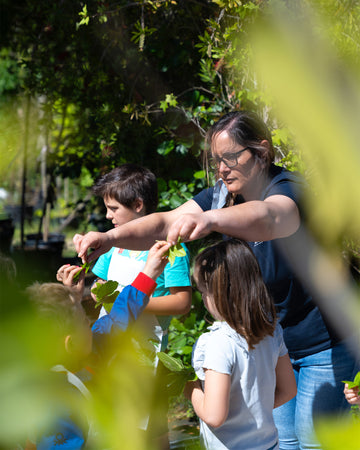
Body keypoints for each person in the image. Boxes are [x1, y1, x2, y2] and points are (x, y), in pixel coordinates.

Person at [73, 110, 359, 449]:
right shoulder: (222, 196)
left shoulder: (289, 190)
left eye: (231, 158)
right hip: (275, 343)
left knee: (317, 443)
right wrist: (109, 238)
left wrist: (210, 220)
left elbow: (269, 217)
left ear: (262, 152)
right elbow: (164, 222)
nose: (222, 169)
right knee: (283, 441)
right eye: (217, 161)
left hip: (324, 341)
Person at [59, 163, 192, 447]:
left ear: (139, 205)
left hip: (146, 356)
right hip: (109, 350)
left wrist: (134, 302)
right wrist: (88, 289)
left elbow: (182, 303)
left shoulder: (171, 247)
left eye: (113, 209)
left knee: (152, 431)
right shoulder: (114, 246)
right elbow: (99, 289)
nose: (108, 216)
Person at [25, 240, 171, 449]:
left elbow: (119, 315)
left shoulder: (89, 349)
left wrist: (148, 274)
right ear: (72, 343)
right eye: (85, 320)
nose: (91, 322)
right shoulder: (59, 401)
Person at [184, 238, 296, 449]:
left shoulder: (218, 342)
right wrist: (253, 412)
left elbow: (214, 416)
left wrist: (189, 388)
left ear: (218, 293)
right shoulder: (271, 330)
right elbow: (288, 390)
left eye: (202, 292)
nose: (203, 299)